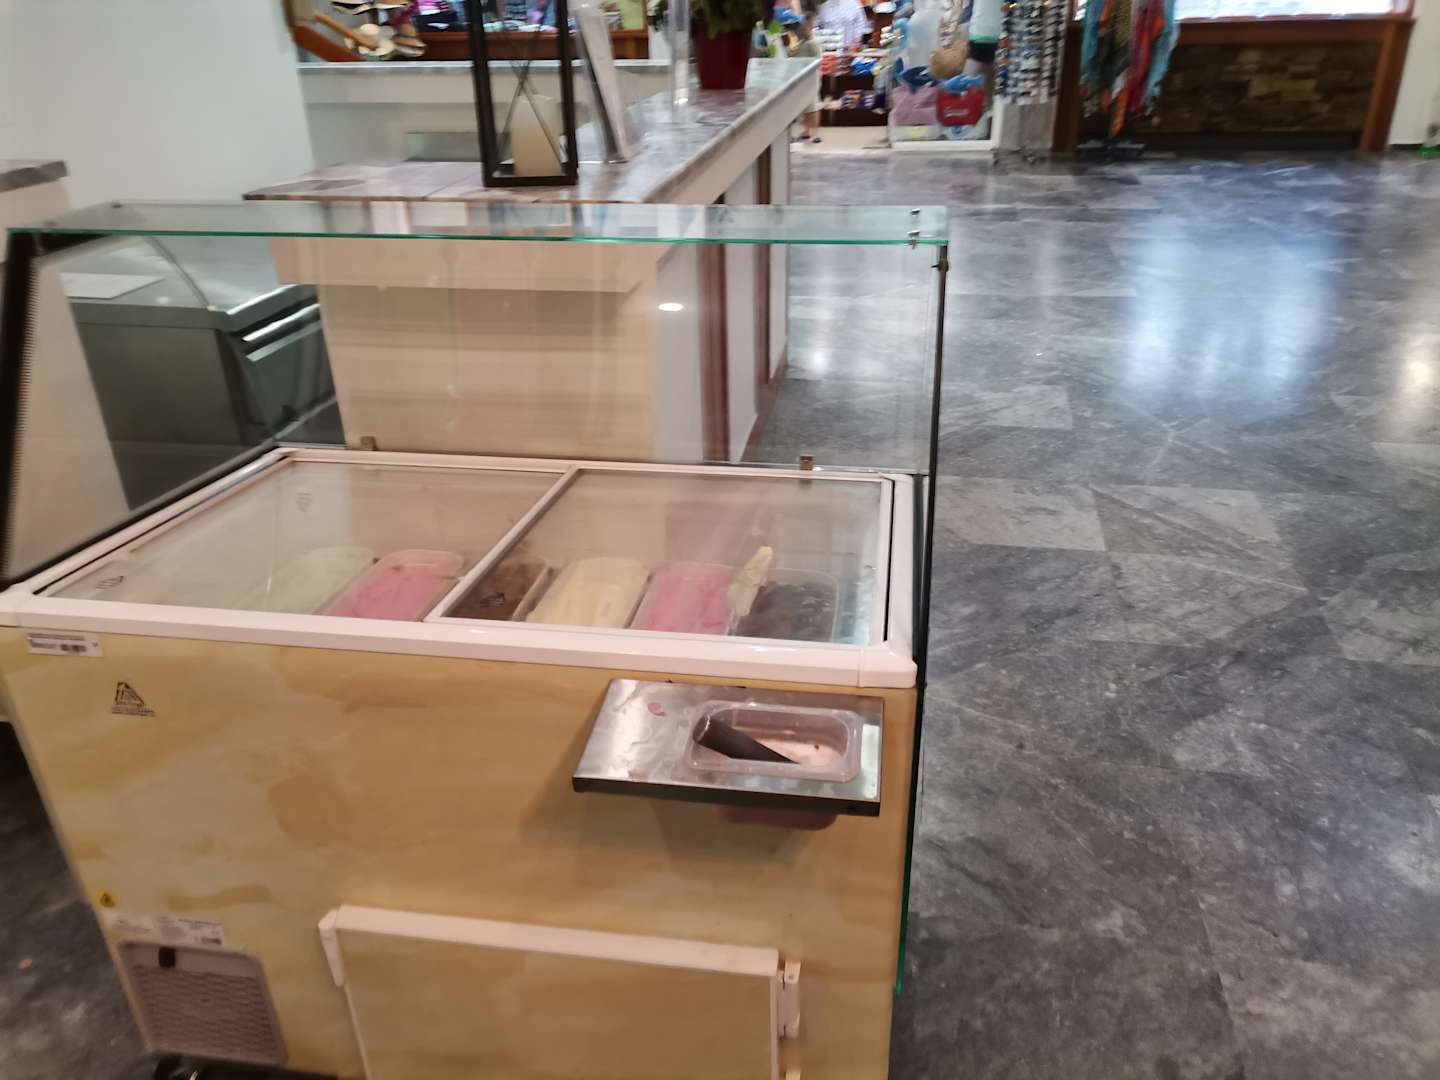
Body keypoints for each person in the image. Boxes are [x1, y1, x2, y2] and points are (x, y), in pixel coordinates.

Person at [793, 0, 823, 143]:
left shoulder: (814, 43)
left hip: (812, 78)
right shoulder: (801, 43)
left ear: (810, 26)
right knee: (805, 106)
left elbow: (818, 60)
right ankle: (806, 130)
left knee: (813, 106)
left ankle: (815, 133)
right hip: (802, 78)